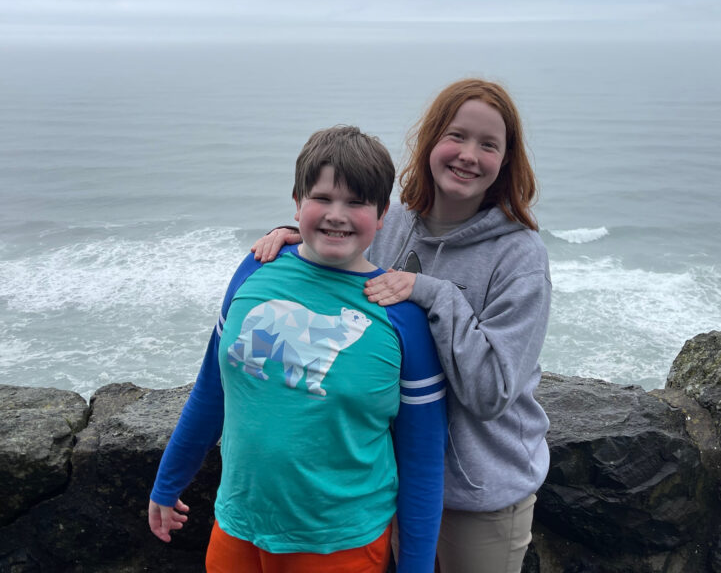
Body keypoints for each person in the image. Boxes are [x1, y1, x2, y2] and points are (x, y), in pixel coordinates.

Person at [253, 79, 551, 573]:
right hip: (392, 478)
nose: (468, 155)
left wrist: (431, 291)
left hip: (476, 494)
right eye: (457, 136)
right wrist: (296, 240)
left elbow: (493, 391)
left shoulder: (519, 255)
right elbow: (339, 275)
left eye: (488, 144)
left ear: (506, 160)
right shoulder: (391, 224)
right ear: (432, 140)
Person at [150, 126, 448, 573]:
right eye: (323, 198)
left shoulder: (402, 317)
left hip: (340, 545)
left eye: (357, 202)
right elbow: (212, 391)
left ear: (383, 213)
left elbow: (423, 458)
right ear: (297, 200)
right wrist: (166, 484)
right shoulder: (255, 268)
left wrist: (417, 566)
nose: (337, 215)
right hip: (237, 526)